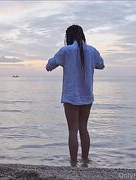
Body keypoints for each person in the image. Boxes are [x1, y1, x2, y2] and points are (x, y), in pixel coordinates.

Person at [46, 25, 105, 167]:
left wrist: (63, 62)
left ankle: (73, 163)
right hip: (87, 95)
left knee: (73, 130)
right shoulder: (92, 50)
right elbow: (101, 65)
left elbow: (49, 66)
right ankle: (85, 161)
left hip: (71, 95)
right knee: (83, 128)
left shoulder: (66, 51)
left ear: (68, 37)